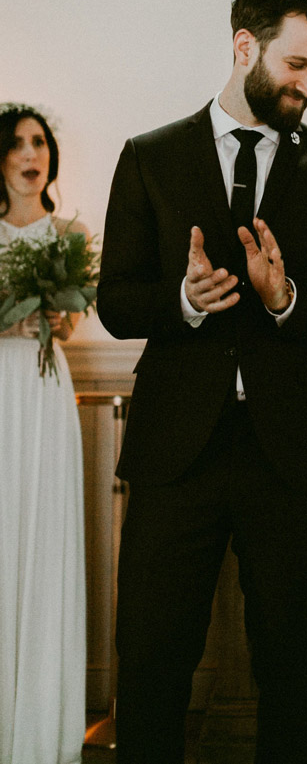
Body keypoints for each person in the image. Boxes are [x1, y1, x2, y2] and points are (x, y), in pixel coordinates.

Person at [97, 0, 307, 764]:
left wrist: (292, 295)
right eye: (298, 65)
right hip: (174, 452)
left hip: (287, 455)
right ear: (244, 47)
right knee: (154, 660)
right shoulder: (150, 156)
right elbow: (117, 302)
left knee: (292, 666)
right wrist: (187, 300)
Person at [0, 103, 87, 764]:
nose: (33, 154)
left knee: (43, 536)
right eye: (18, 144)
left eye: (40, 143)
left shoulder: (67, 235)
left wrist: (59, 318)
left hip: (46, 389)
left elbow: (72, 323)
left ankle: (39, 730)